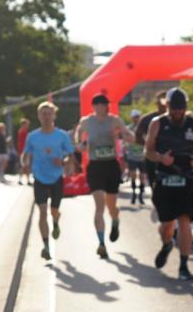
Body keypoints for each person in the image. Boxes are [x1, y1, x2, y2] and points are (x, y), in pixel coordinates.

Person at [146, 87, 193, 280]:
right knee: (166, 225)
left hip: (186, 177)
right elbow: (147, 152)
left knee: (184, 221)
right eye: (174, 108)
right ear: (167, 106)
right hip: (165, 177)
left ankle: (183, 266)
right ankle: (166, 244)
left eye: (181, 108)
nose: (178, 112)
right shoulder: (157, 123)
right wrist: (161, 158)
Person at [74, 94, 135, 259]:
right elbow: (78, 139)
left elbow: (129, 135)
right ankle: (101, 243)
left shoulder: (114, 120)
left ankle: (115, 221)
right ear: (94, 106)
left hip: (111, 165)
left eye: (106, 104)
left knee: (111, 205)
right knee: (99, 205)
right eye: (101, 104)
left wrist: (126, 136)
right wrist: (80, 144)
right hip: (95, 166)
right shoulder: (86, 121)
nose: (104, 107)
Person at [22, 102, 74, 260]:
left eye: (49, 113)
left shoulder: (62, 135)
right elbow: (25, 154)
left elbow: (71, 156)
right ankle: (46, 246)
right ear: (39, 116)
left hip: (57, 177)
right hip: (39, 177)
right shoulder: (33, 137)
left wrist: (64, 162)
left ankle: (56, 220)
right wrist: (24, 163)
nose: (46, 116)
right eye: (43, 114)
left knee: (54, 211)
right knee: (42, 212)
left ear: (54, 115)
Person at [136, 91, 169, 197]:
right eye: (161, 100)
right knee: (154, 182)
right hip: (153, 157)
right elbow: (138, 135)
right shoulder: (147, 119)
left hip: (171, 156)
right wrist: (148, 145)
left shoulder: (177, 118)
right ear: (156, 102)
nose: (163, 103)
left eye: (166, 100)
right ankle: (157, 199)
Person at [124, 109, 148, 205]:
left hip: (142, 157)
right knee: (133, 175)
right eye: (135, 117)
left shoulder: (145, 129)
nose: (136, 119)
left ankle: (141, 195)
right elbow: (126, 139)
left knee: (142, 177)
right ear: (132, 118)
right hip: (132, 157)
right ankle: (134, 194)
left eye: (138, 117)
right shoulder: (128, 128)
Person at [16, 119, 32, 184]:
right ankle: (24, 180)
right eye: (26, 124)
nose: (27, 125)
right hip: (25, 151)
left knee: (25, 166)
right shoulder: (23, 132)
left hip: (24, 151)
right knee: (25, 166)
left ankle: (25, 180)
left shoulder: (23, 131)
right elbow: (23, 143)